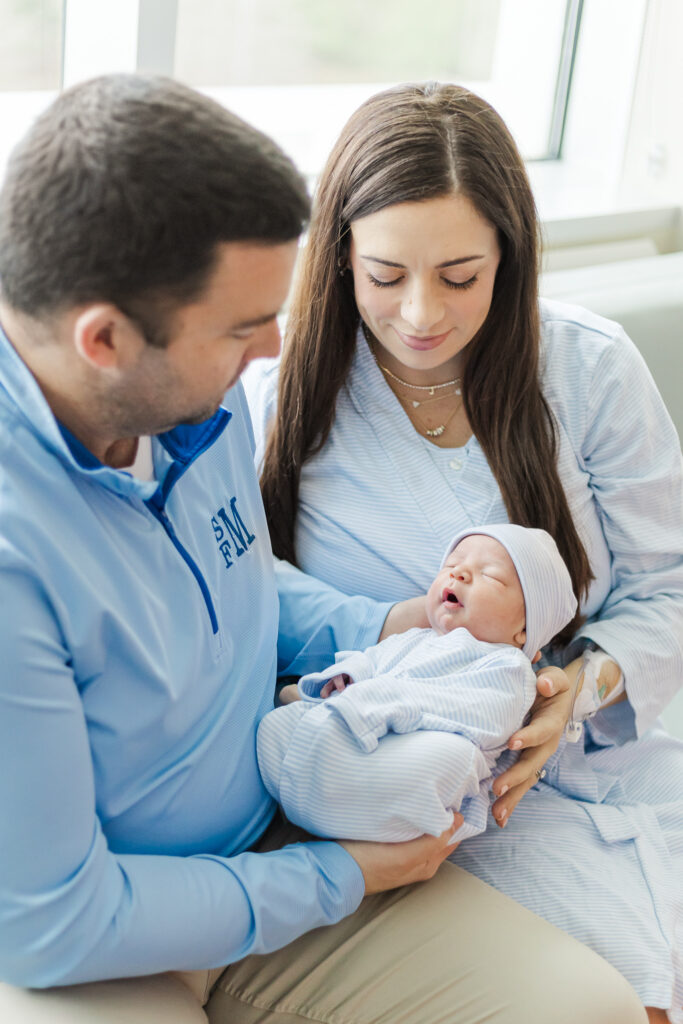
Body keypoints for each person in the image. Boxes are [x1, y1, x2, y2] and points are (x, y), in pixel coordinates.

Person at [0, 74, 646, 1024]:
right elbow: (54, 920)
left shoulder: (180, 398)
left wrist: (402, 624)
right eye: (240, 327)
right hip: (116, 934)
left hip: (283, 824)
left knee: (587, 1006)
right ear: (104, 340)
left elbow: (238, 577)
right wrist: (337, 874)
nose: (273, 348)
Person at [251, 82, 683, 1023]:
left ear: (509, 259)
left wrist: (589, 684)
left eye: (458, 276)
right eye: (383, 275)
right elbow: (249, 603)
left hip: (606, 757)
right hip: (426, 803)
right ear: (337, 262)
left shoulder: (588, 368)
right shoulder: (273, 405)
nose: (418, 315)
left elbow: (670, 587)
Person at [258, 524, 577, 844]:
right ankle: (311, 773)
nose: (460, 573)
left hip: (408, 749)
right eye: (452, 565)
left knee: (454, 757)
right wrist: (350, 676)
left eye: (490, 575)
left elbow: (479, 717)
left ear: (523, 631)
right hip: (360, 734)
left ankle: (336, 789)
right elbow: (372, 659)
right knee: (270, 727)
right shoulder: (414, 638)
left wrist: (383, 702)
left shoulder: (510, 667)